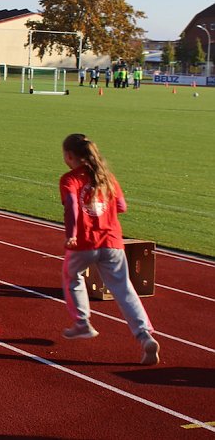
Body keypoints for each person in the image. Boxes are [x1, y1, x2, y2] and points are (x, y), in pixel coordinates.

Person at [58, 133, 160, 365]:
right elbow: (122, 206)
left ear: (69, 156)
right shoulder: (107, 178)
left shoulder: (70, 179)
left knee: (71, 277)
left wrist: (72, 234)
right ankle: (145, 337)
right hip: (112, 242)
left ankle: (82, 322)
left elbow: (72, 206)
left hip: (84, 243)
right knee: (124, 290)